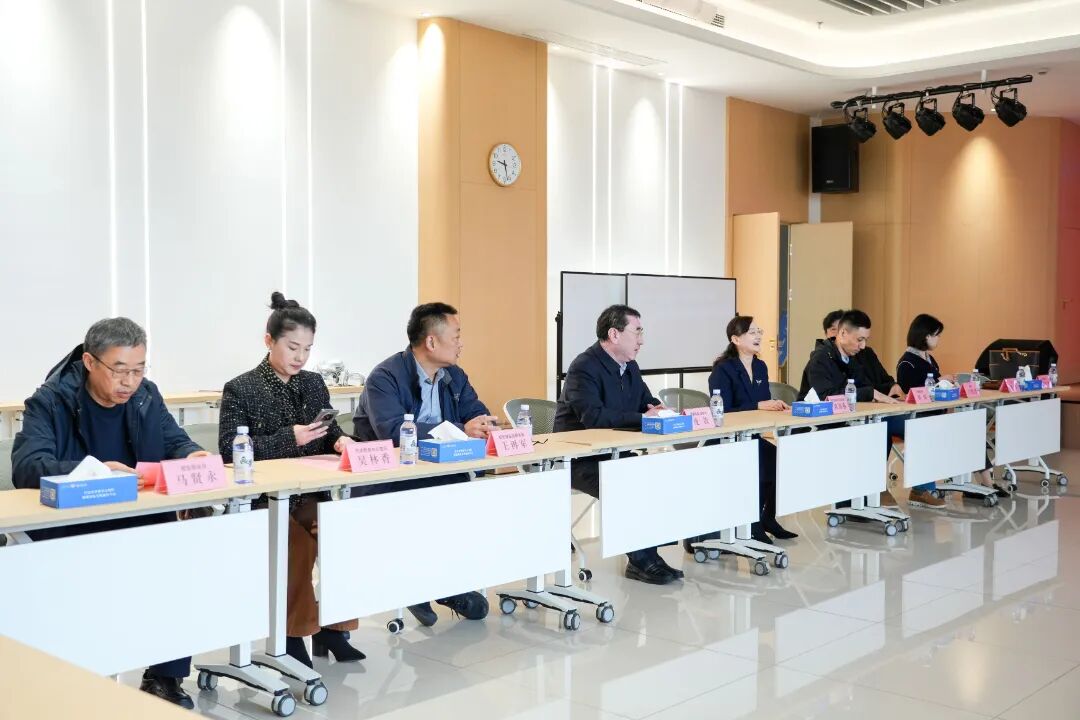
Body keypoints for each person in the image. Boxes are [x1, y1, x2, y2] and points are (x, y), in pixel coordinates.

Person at [11, 317, 208, 709]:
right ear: (89, 361)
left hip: (142, 519)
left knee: (180, 564)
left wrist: (192, 455)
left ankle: (164, 677)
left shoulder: (146, 396)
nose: (129, 382)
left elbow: (174, 440)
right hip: (76, 526)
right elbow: (27, 466)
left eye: (138, 370)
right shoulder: (51, 401)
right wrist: (96, 470)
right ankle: (76, 678)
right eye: (119, 370)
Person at [218, 293, 363, 669]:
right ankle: (292, 634)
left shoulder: (313, 383)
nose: (301, 357)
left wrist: (341, 440)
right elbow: (229, 451)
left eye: (308, 349)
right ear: (269, 341)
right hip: (263, 499)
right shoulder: (242, 388)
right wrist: (289, 438)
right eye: (293, 347)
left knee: (346, 530)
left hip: (310, 490)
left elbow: (328, 430)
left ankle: (333, 627)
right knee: (298, 542)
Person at [352, 302, 496, 627]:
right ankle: (418, 583)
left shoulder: (454, 376)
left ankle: (444, 583)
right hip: (391, 477)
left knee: (471, 500)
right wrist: (460, 429)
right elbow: (393, 432)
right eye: (456, 336)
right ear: (431, 341)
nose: (461, 344)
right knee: (436, 503)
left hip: (440, 473)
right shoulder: (385, 377)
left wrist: (484, 425)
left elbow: (475, 411)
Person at [553, 304, 681, 585]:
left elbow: (646, 402)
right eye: (637, 332)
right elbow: (594, 418)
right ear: (614, 334)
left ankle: (651, 555)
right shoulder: (583, 367)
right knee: (628, 483)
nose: (641, 340)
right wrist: (643, 417)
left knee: (654, 474)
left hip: (613, 455)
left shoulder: (630, 366)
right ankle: (641, 561)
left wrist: (659, 410)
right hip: (578, 459)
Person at [800, 309, 915, 508]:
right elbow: (828, 396)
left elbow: (866, 385)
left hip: (852, 418)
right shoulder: (820, 358)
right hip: (823, 422)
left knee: (890, 429)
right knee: (875, 433)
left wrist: (884, 391)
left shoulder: (853, 357)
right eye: (859, 340)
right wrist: (870, 393)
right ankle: (854, 500)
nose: (862, 346)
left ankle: (870, 492)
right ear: (843, 333)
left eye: (865, 340)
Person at [707, 316, 795, 544]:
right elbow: (723, 410)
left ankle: (768, 518)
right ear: (736, 339)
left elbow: (762, 401)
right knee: (762, 463)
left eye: (759, 331)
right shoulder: (723, 369)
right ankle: (752, 523)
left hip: (751, 435)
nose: (758, 336)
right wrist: (758, 405)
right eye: (752, 332)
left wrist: (775, 406)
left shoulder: (760, 366)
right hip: (728, 439)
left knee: (781, 460)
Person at [896, 314, 997, 498]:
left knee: (970, 429)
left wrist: (948, 384)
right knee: (962, 431)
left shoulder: (929, 359)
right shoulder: (907, 362)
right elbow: (913, 393)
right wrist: (939, 380)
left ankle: (987, 482)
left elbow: (936, 386)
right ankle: (982, 484)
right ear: (926, 336)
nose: (938, 339)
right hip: (920, 418)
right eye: (937, 335)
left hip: (937, 414)